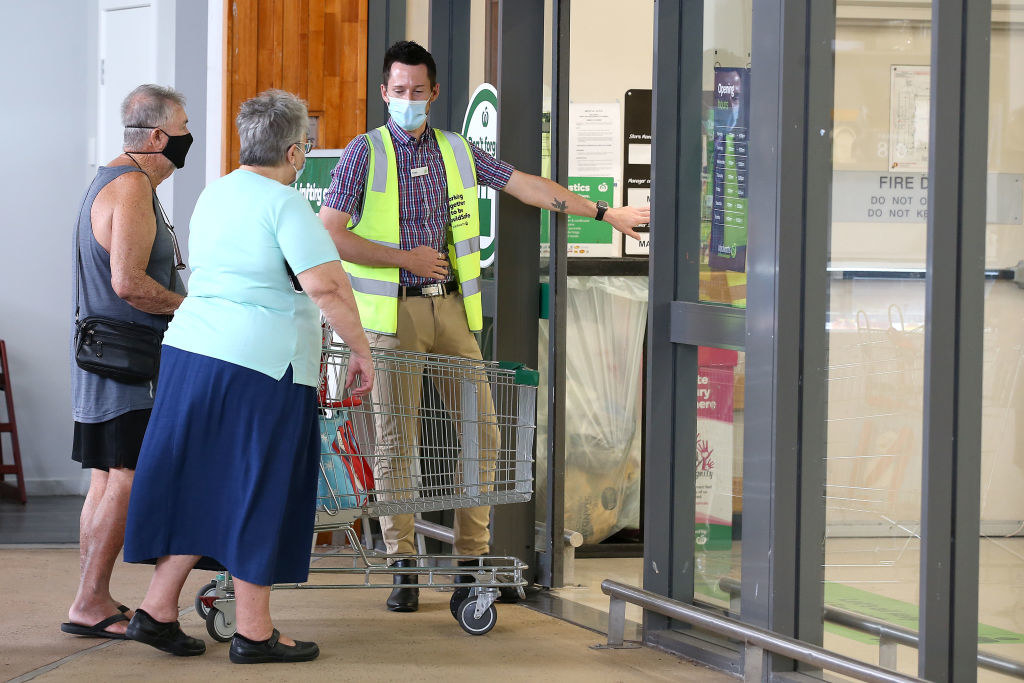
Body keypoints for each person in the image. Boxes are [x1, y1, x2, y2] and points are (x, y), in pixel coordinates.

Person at [319, 40, 649, 613]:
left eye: (418, 92)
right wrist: (406, 259)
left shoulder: (456, 150)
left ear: (435, 92)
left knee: (483, 433)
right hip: (391, 314)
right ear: (383, 92)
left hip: (450, 310)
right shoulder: (362, 154)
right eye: (398, 92)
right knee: (399, 441)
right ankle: (405, 565)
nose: (408, 101)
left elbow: (526, 184)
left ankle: (472, 560)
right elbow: (332, 233)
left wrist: (607, 214)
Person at [121, 89, 373, 664]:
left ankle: (158, 611)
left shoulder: (215, 192)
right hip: (259, 368)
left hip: (191, 354)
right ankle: (255, 632)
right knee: (263, 487)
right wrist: (362, 351)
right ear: (294, 150)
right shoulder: (286, 204)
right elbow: (327, 286)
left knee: (202, 486)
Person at [62, 84, 190, 640]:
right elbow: (130, 283)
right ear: (159, 136)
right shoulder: (132, 186)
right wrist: (194, 310)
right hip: (127, 360)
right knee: (124, 479)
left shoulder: (109, 179)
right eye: (183, 129)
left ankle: (89, 597)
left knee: (105, 480)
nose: (187, 139)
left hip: (101, 357)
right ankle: (90, 601)